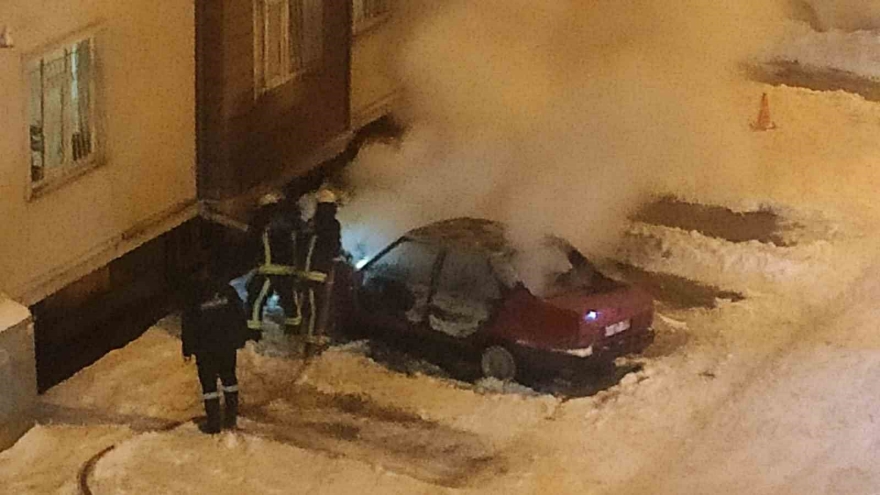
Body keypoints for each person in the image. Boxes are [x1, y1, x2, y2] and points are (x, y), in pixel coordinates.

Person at [182, 273, 258, 434]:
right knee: (229, 380)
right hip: (226, 346)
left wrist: (187, 349)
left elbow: (188, 324)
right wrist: (241, 337)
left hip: (205, 348)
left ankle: (213, 423)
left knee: (209, 385)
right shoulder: (227, 291)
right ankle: (230, 418)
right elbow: (239, 314)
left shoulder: (194, 296)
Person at [245, 191, 306, 334]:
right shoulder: (289, 220)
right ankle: (294, 332)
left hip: (269, 270)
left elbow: (253, 242)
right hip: (288, 270)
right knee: (290, 303)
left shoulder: (261, 220)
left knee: (256, 300)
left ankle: (252, 334)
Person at [299, 188, 342, 343]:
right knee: (317, 307)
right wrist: (336, 258)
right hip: (319, 272)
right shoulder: (332, 224)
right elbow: (334, 246)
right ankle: (311, 340)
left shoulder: (311, 223)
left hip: (304, 271)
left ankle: (305, 334)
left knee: (307, 306)